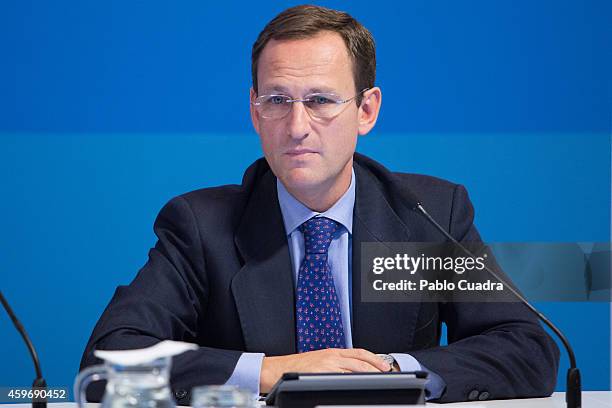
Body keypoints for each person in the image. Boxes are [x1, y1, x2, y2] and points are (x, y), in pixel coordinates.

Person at [80, 5, 559, 403]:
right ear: (254, 110)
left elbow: (526, 349)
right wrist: (273, 372)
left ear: (366, 110)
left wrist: (390, 372)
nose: (297, 126)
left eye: (321, 101)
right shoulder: (202, 227)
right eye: (277, 100)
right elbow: (107, 365)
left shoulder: (427, 215)